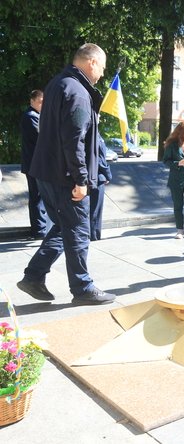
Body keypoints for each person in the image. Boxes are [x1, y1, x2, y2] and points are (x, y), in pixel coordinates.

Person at [16, 43, 115, 305]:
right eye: (102, 67)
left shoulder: (58, 83)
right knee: (78, 231)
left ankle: (34, 276)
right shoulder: (78, 92)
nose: (102, 74)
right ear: (92, 62)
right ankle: (82, 288)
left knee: (63, 227)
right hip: (65, 177)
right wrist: (81, 180)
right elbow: (74, 141)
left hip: (47, 172)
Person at [20, 89, 50, 239]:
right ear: (32, 101)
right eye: (40, 102)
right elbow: (42, 138)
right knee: (37, 197)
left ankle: (40, 229)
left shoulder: (35, 116)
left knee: (38, 196)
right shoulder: (31, 117)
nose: (42, 105)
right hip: (34, 165)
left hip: (34, 164)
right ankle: (39, 230)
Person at [90, 135, 111, 241]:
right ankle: (94, 235)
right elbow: (99, 159)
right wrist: (107, 174)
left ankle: (93, 234)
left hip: (94, 176)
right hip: (97, 177)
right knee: (95, 210)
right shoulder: (94, 135)